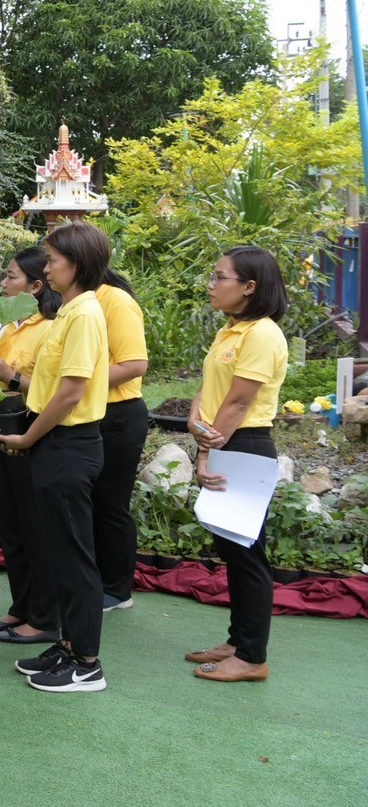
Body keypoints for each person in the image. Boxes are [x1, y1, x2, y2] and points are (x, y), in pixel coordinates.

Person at [0, 220, 111, 693]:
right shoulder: (67, 310)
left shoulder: (83, 314)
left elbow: (69, 393)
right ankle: (68, 646)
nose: (46, 266)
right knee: (60, 554)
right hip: (56, 444)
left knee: (76, 559)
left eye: (53, 260)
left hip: (68, 444)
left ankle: (87, 662)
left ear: (76, 264)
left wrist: (27, 438)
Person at [185, 246, 289, 683]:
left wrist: (207, 450)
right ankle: (237, 640)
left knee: (248, 555)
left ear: (249, 287)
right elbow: (212, 389)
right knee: (233, 549)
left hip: (244, 445)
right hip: (226, 439)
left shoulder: (262, 335)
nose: (211, 284)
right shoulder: (232, 330)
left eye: (219, 277)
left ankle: (252, 657)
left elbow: (241, 401)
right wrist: (193, 420)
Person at [0, 247, 61, 645]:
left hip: (30, 431)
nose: (3, 284)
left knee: (35, 527)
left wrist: (11, 377)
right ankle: (21, 607)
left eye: (11, 277)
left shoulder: (50, 328)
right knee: (11, 525)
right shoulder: (8, 326)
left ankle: (44, 617)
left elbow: (53, 391)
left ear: (35, 285)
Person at [94, 269, 150, 612]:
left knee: (110, 503)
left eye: (53, 260)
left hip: (117, 414)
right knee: (86, 503)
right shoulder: (77, 301)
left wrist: (78, 382)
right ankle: (94, 579)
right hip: (86, 412)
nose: (46, 269)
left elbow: (134, 364)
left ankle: (117, 589)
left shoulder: (115, 300)